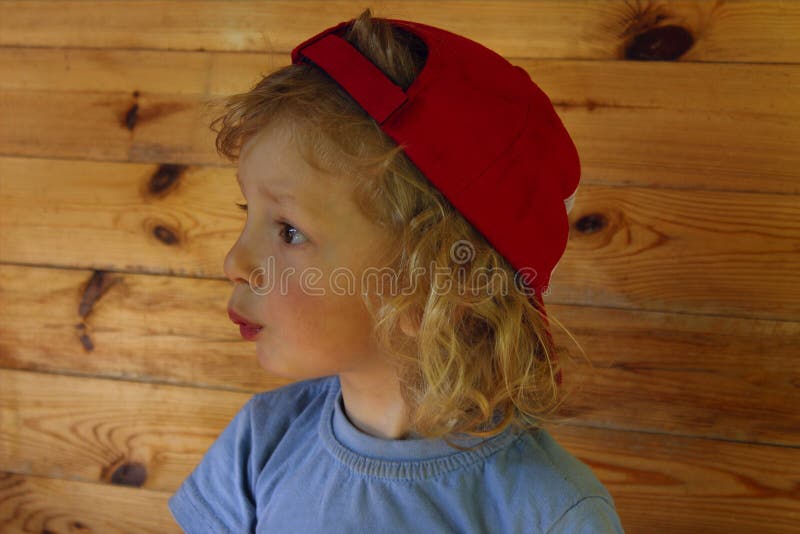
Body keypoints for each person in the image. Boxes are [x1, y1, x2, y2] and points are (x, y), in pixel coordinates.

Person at [168, 8, 624, 533]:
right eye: (249, 214)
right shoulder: (259, 445)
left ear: (432, 286)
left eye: (290, 231)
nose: (235, 262)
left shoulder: (548, 512)